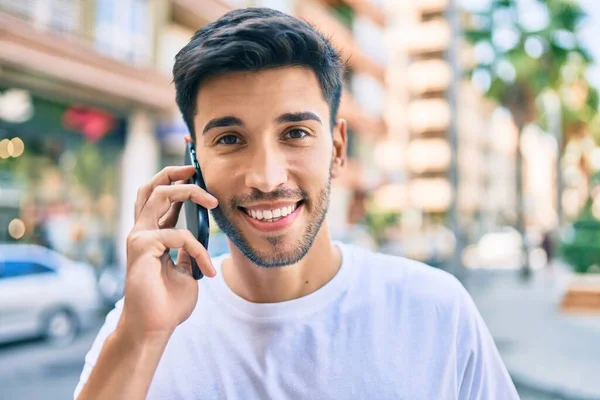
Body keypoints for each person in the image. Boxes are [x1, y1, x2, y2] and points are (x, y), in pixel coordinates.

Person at [74, 8, 519, 400]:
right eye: (230, 139)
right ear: (195, 161)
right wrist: (142, 335)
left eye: (296, 133)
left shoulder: (436, 309)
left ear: (338, 148)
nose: (267, 178)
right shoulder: (141, 323)